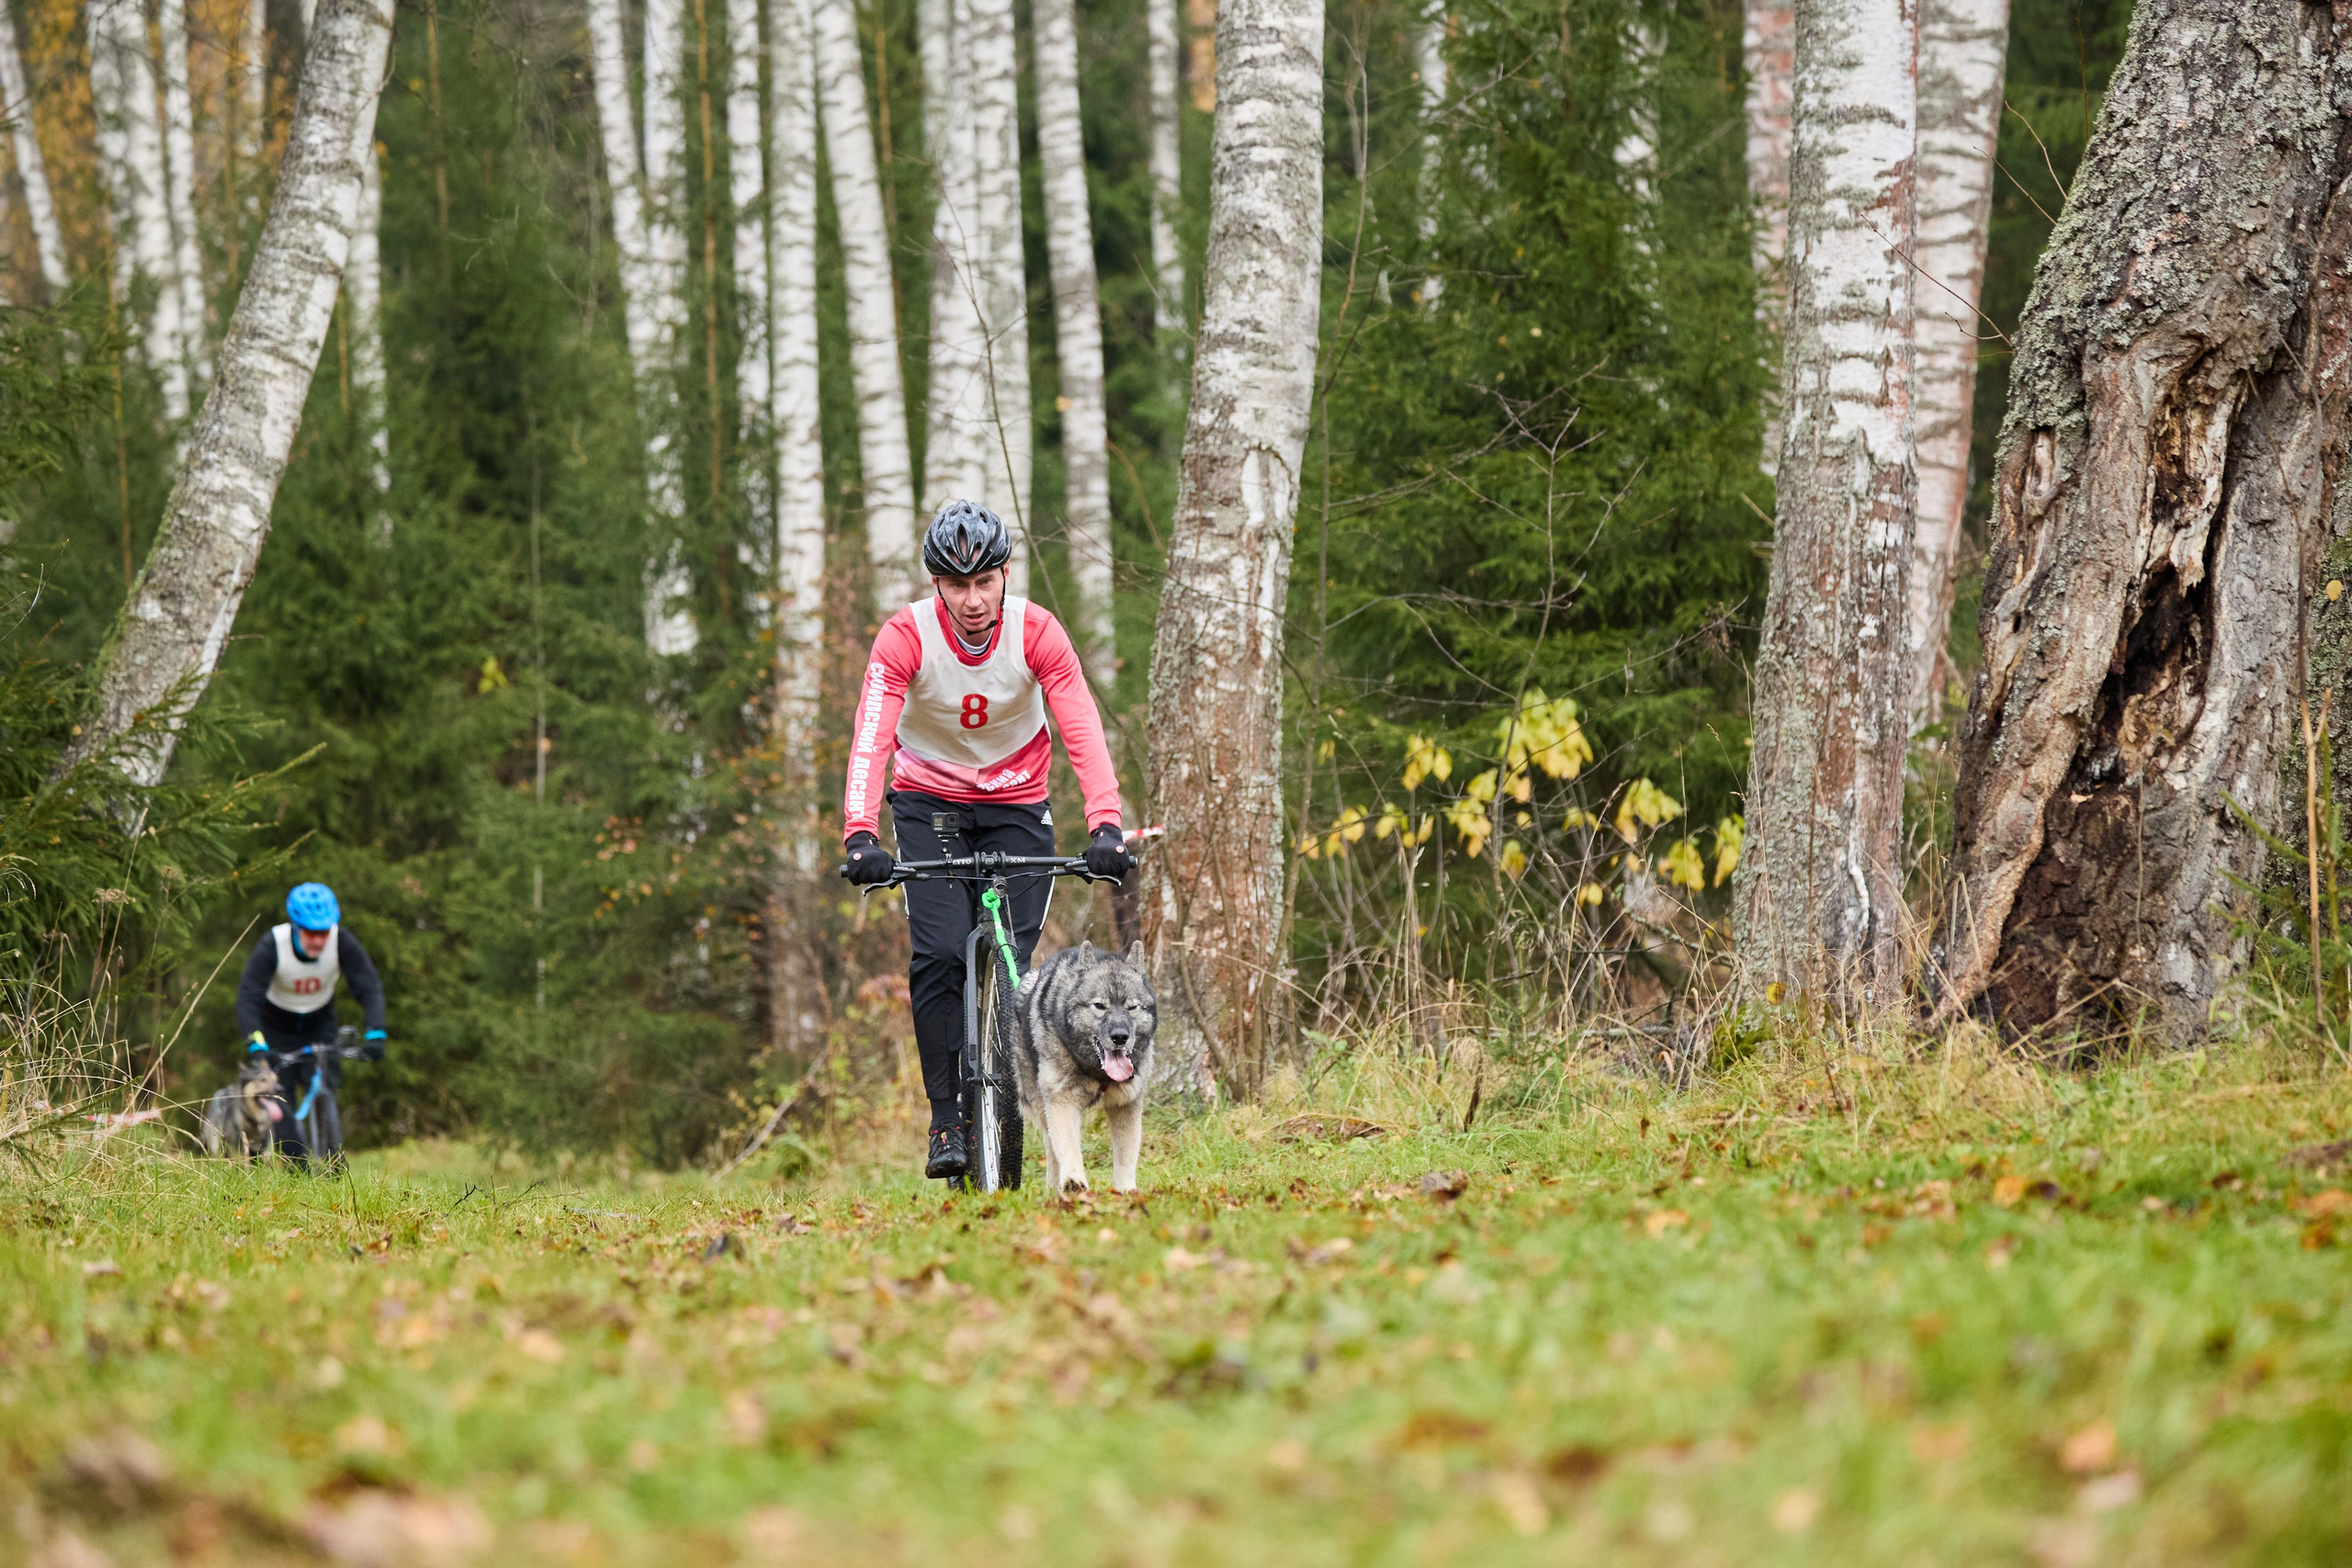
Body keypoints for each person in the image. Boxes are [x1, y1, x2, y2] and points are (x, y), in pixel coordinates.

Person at [841, 500, 1133, 1179]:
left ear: (1005, 574)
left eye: (985, 583)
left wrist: (1105, 824)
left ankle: (1003, 1081)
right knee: (942, 953)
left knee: (1011, 957)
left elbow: (1082, 728)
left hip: (1016, 802)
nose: (973, 601)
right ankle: (948, 1116)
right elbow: (870, 739)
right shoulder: (904, 638)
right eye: (956, 585)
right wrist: (860, 833)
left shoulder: (1038, 633)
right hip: (928, 803)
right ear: (935, 583)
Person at [232, 881, 387, 1157]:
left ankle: (332, 1164)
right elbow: (248, 997)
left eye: (323, 932)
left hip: (319, 1024)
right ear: (295, 927)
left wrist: (376, 1032)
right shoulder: (273, 944)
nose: (318, 940)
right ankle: (296, 1171)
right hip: (276, 1027)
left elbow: (369, 987)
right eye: (311, 933)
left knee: (324, 1088)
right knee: (282, 1103)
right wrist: (257, 1043)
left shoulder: (341, 940)